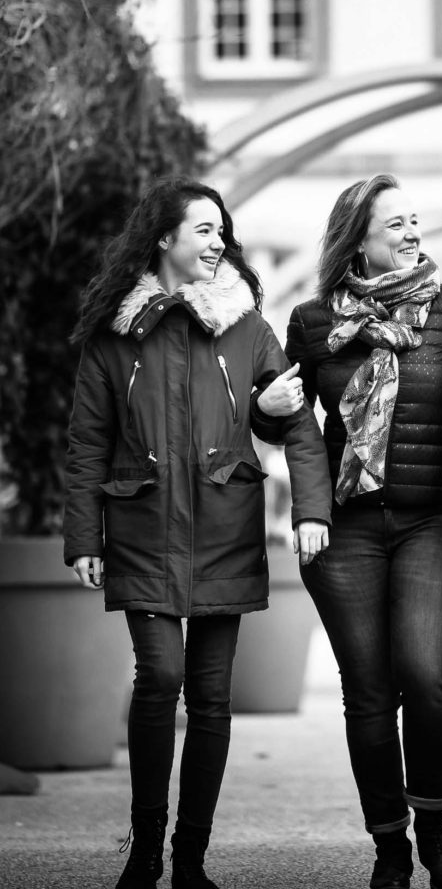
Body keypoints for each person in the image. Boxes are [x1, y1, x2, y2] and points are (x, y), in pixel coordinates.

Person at [63, 177, 331, 889]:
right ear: (164, 238)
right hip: (143, 526)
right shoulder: (116, 334)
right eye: (203, 230)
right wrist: (83, 536)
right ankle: (145, 852)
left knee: (211, 696)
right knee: (160, 676)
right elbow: (87, 442)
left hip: (224, 528)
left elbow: (295, 424)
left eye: (221, 231)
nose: (218, 243)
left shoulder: (248, 327)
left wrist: (310, 510)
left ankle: (190, 860)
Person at [256, 173, 442, 889]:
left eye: (415, 221)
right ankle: (389, 846)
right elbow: (289, 420)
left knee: (426, 673)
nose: (412, 233)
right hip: (346, 527)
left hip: (433, 520)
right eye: (395, 224)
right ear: (357, 239)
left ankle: (434, 830)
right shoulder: (313, 321)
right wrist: (265, 411)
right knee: (367, 691)